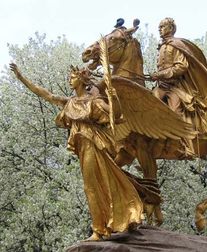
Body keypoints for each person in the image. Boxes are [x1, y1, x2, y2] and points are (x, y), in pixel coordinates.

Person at [9, 63, 160, 241]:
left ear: (81, 79)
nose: (69, 80)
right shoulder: (71, 102)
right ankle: (104, 225)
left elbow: (116, 117)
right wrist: (21, 77)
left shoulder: (94, 101)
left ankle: (99, 229)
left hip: (93, 146)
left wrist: (115, 100)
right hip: (84, 148)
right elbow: (46, 95)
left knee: (91, 187)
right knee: (95, 187)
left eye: (72, 77)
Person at [151, 18, 207, 155]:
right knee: (149, 104)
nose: (159, 29)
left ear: (171, 28)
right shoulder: (162, 46)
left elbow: (181, 66)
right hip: (162, 86)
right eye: (159, 26)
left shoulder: (176, 45)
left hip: (177, 86)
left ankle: (186, 146)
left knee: (174, 110)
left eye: (163, 26)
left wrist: (161, 74)